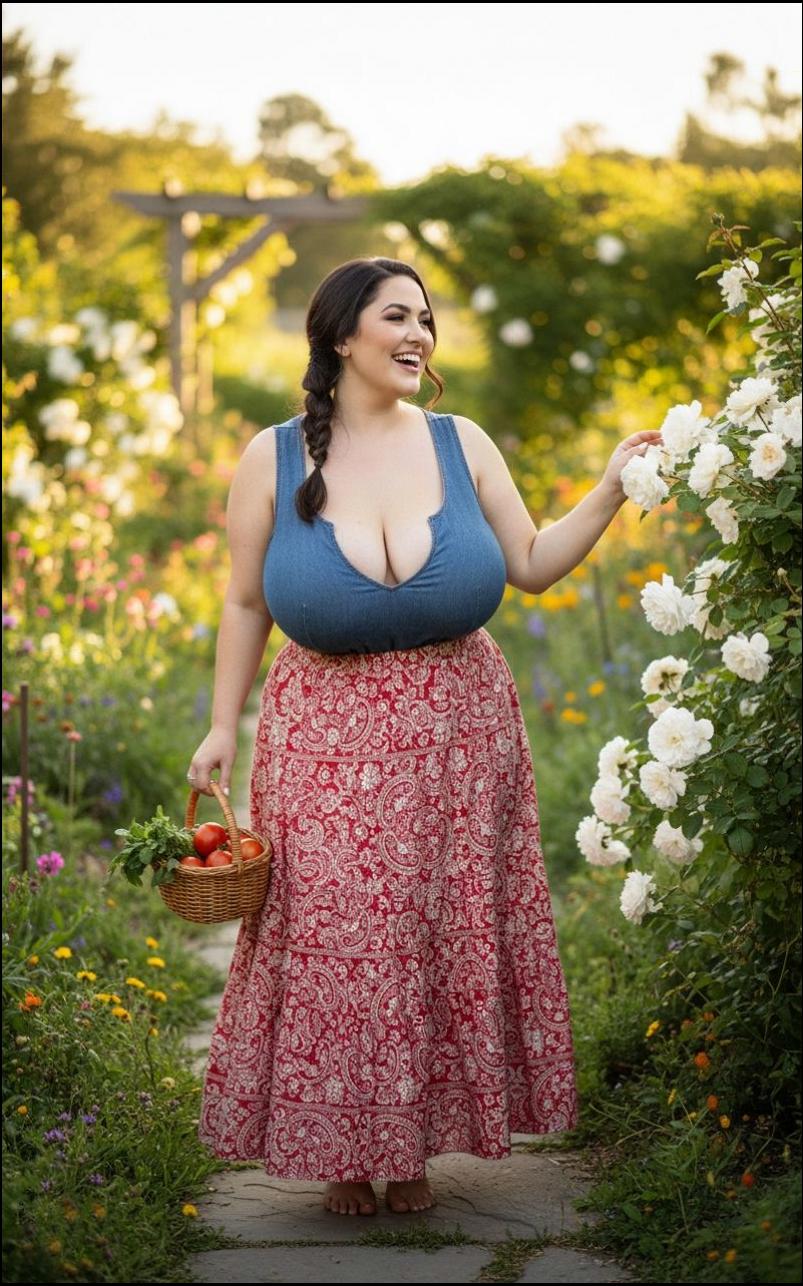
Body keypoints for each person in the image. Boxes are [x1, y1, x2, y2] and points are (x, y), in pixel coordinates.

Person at [188, 256, 663, 1218]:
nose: (417, 336)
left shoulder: (461, 442)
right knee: (337, 935)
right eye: (395, 317)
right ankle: (340, 1149)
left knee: (434, 934)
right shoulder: (273, 457)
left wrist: (610, 487)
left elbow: (530, 563)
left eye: (426, 319)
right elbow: (244, 601)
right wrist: (217, 728)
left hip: (457, 733)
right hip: (321, 731)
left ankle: (409, 1148)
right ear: (338, 336)